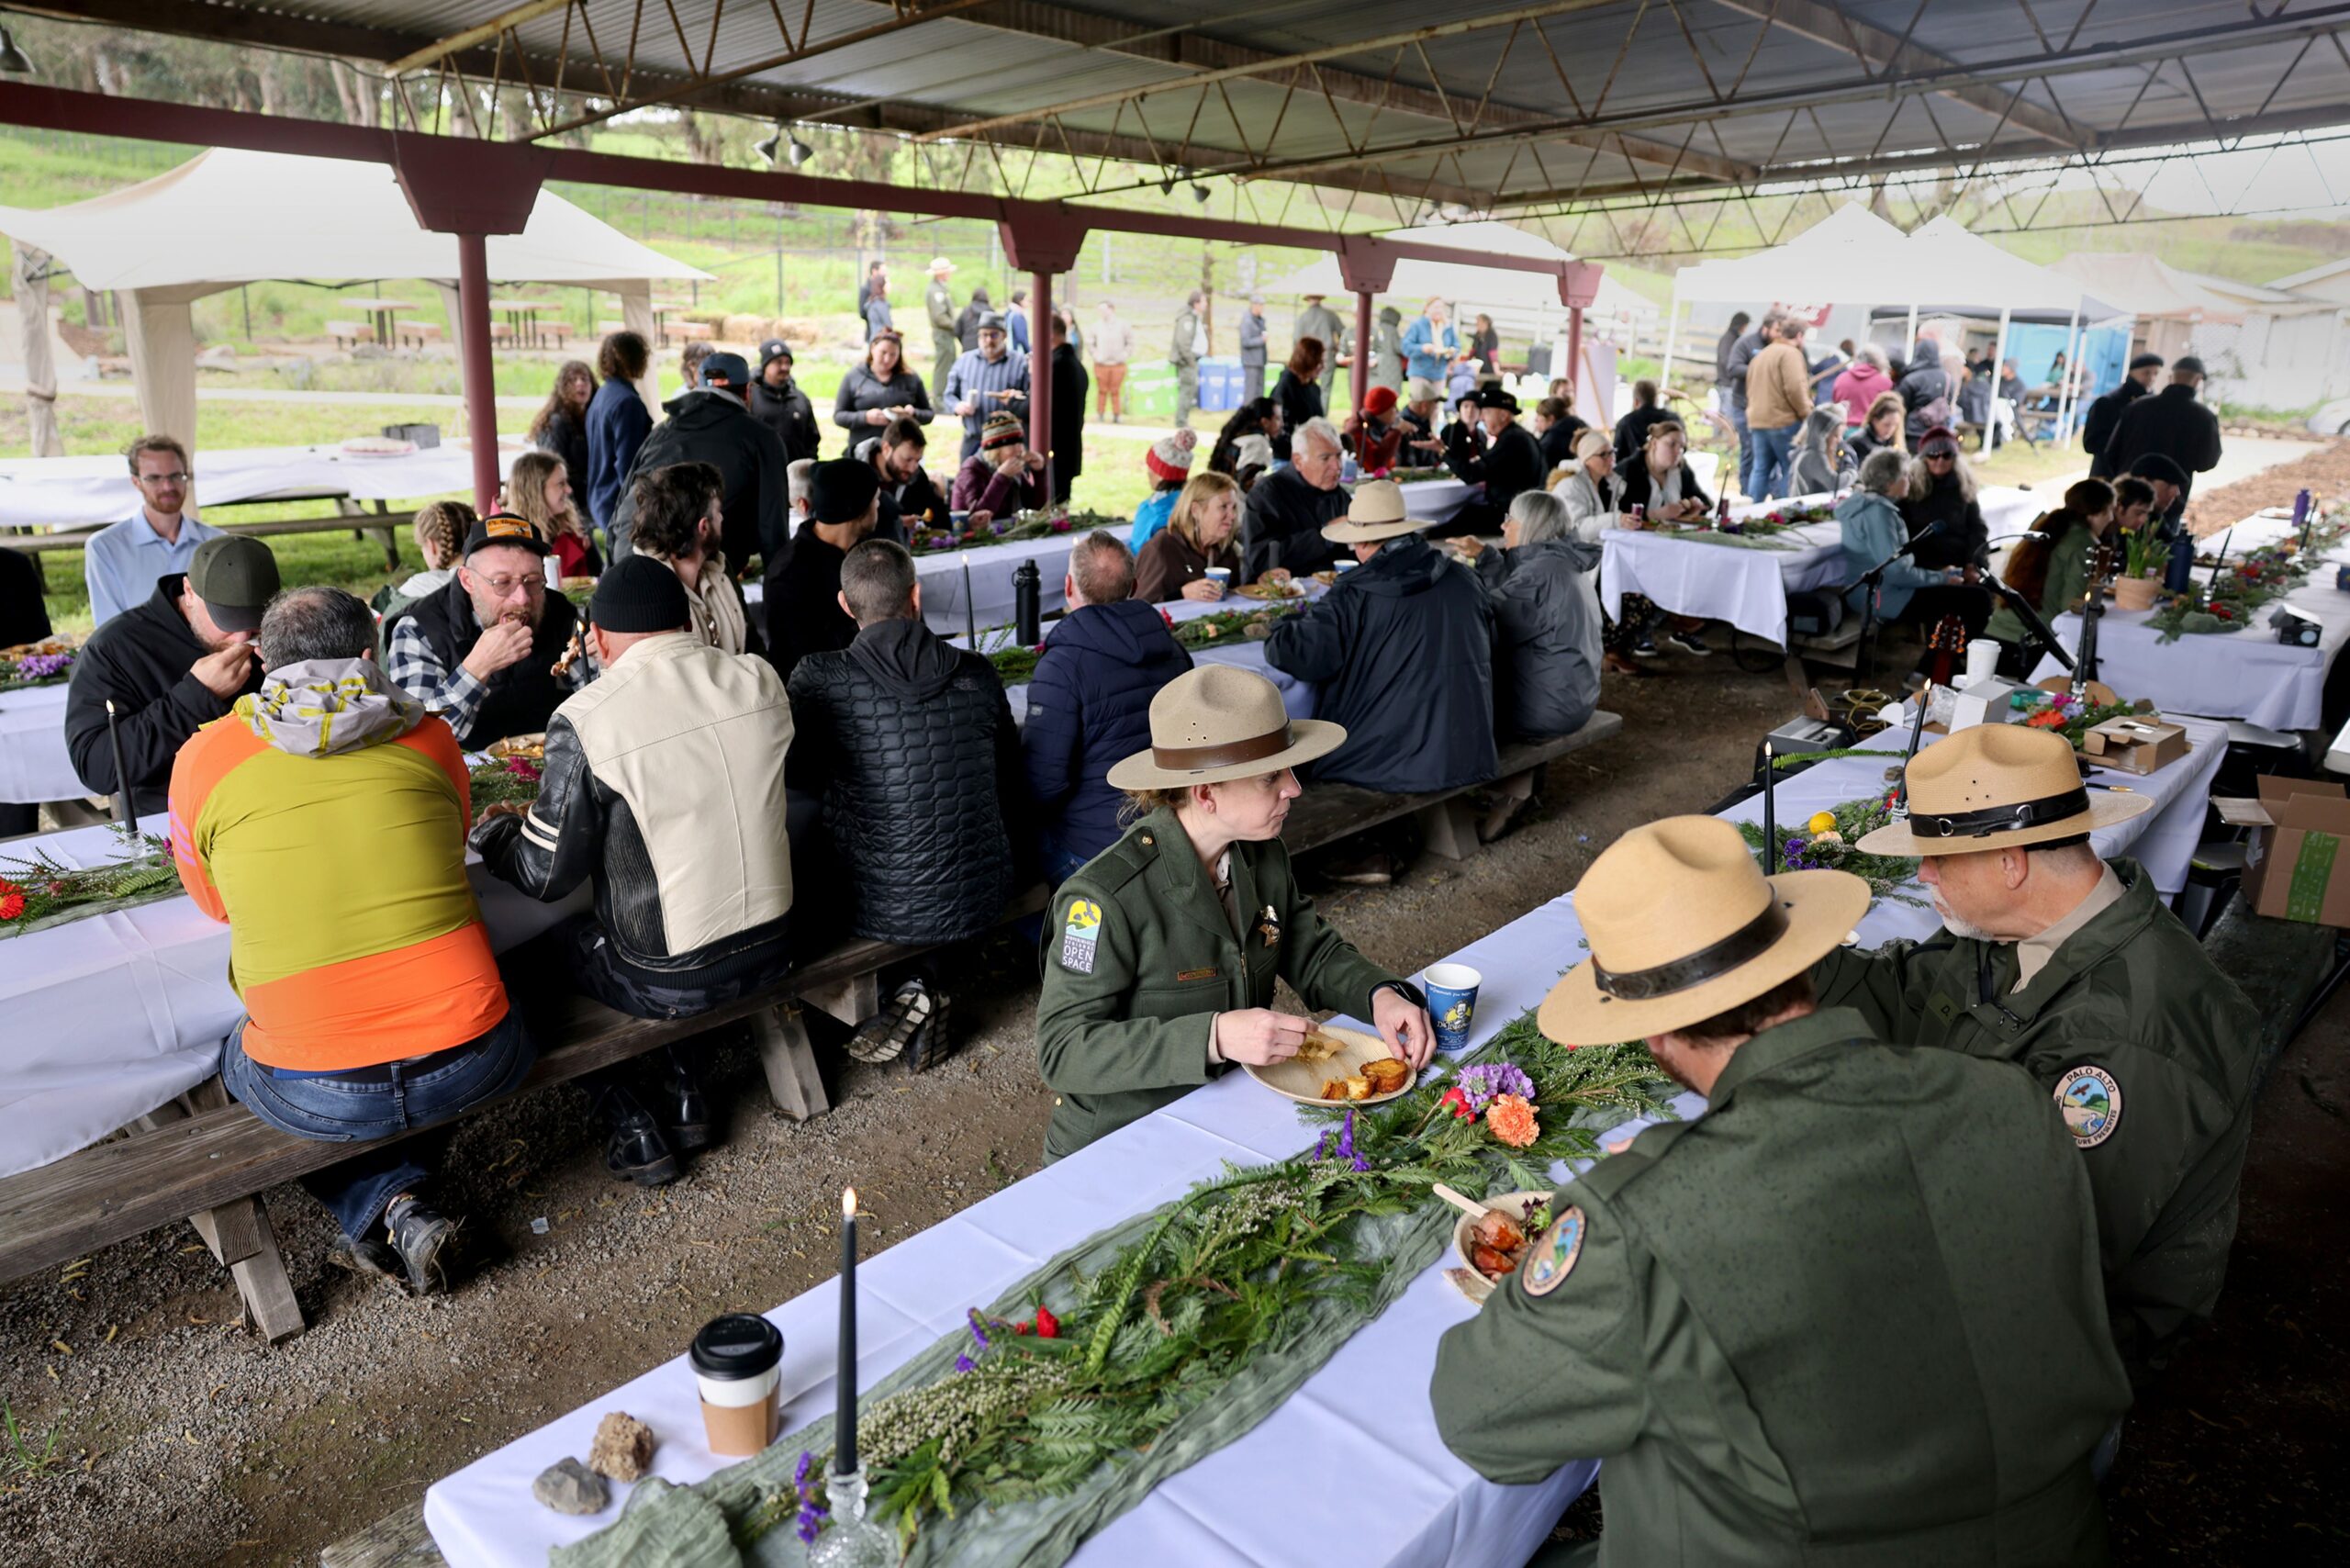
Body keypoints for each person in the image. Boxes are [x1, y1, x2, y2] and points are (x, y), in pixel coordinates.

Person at [1434, 813, 2130, 1563]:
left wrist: (1652, 1187)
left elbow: (1483, 1422)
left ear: (1653, 1033)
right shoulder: (2008, 1098)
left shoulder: (1645, 1213)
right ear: (1799, 962)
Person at [1816, 722, 2262, 1387]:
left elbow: (2043, 1253)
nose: (1924, 874)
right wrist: (1780, 954)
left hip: (2065, 1342)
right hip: (1973, 1210)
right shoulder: (2019, 929)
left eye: (1935, 858)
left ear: (2010, 863)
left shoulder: (2127, 1040)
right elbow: (1903, 992)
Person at [172, 585, 534, 1294]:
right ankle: (401, 1202)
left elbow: (215, 905)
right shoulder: (430, 735)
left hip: (322, 1092)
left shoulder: (204, 759)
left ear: (259, 661)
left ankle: (390, 1202)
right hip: (476, 1061)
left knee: (234, 1059)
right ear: (369, 656)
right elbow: (454, 840)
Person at [473, 557, 794, 1185]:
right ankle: (685, 1088)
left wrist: (495, 830)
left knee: (527, 960)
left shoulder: (592, 715)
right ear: (685, 620)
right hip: (777, 942)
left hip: (669, 979)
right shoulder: (758, 677)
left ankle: (627, 1116)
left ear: (597, 638)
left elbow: (545, 876)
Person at [1034, 664, 1434, 1161]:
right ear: (1206, 794)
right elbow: (1063, 1049)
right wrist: (1215, 1036)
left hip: (1228, 1114)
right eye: (1271, 777)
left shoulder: (1260, 853)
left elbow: (1307, 948)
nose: (1294, 788)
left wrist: (1378, 994)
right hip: (1123, 1144)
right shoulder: (1103, 898)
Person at [787, 539, 1030, 1014]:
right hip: (981, 892)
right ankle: (920, 979)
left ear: (844, 604)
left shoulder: (820, 678)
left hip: (869, 906)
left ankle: (903, 987)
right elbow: (1008, 771)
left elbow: (798, 778)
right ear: (915, 597)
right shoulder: (977, 673)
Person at [1264, 479, 1496, 796]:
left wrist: (1281, 626)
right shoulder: (1463, 576)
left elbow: (1301, 657)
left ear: (1362, 543)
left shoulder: (1354, 592)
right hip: (1467, 748)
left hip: (1381, 757)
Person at [1023, 532, 1194, 882]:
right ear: (1134, 585)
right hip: (1170, 827)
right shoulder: (1173, 650)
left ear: (1069, 587)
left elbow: (1043, 784)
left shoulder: (1063, 665)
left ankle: (1049, 929)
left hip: (1097, 847)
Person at [67, 534, 276, 817]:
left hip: (274, 800)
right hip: (174, 819)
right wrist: (195, 697)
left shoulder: (283, 628)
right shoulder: (114, 649)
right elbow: (97, 768)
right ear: (189, 591)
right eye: (225, 620)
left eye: (253, 623)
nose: (241, 637)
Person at [388, 513, 588, 750]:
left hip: (553, 759)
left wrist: (604, 658)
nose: (522, 598)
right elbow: (419, 737)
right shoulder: (418, 629)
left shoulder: (560, 612)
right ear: (467, 580)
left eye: (532, 580)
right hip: (463, 772)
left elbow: (600, 698)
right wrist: (476, 668)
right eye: (502, 583)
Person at [606, 350, 791, 569]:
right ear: (748, 392)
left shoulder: (662, 431)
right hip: (693, 571)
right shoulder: (762, 438)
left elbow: (620, 507)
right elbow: (773, 529)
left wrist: (611, 577)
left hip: (629, 557)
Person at [1475, 487, 1602, 755]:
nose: (1503, 525)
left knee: (1458, 691)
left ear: (1530, 525)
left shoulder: (1540, 575)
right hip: (1576, 697)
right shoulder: (1560, 563)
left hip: (1548, 709)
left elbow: (1487, 623)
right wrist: (1485, 557)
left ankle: (1497, 786)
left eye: (1510, 519)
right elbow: (1518, 603)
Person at [1839, 448, 1983, 638]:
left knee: (1959, 597)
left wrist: (1939, 576)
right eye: (1906, 475)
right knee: (1978, 599)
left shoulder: (1868, 504)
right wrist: (1941, 577)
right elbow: (1896, 572)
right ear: (1891, 482)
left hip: (1882, 590)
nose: (1910, 479)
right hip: (1880, 597)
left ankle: (1939, 662)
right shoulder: (1879, 514)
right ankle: (1939, 663)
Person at [84, 436, 223, 627]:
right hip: (139, 653)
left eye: (175, 476)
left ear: (187, 476)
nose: (167, 487)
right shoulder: (106, 547)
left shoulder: (217, 542)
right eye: (154, 478)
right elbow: (109, 628)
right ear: (136, 482)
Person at [765, 456, 880, 680]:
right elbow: (798, 663)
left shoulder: (860, 553)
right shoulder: (790, 576)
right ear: (856, 509)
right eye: (875, 499)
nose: (878, 505)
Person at [1986, 477, 2117, 665]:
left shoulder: (2043, 524)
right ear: (2097, 512)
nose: (2112, 518)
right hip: (2031, 643)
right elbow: (2070, 605)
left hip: (1996, 630)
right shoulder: (2083, 542)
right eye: (2110, 510)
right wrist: (2097, 607)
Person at [628, 462, 751, 655]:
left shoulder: (721, 570)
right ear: (704, 527)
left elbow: (752, 641)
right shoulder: (645, 593)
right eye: (718, 512)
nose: (722, 518)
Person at [2100, 357, 2222, 527]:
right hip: (2169, 499)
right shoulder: (2203, 416)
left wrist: (2126, 477)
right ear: (2197, 380)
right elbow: (2206, 462)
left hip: (2128, 496)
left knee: (2120, 546)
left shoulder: (2137, 407)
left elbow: (2111, 452)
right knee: (2157, 547)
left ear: (2171, 377)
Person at [1239, 417, 1349, 580]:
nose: (1337, 466)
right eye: (1325, 458)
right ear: (1298, 461)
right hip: (1276, 596)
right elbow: (1261, 559)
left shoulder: (1339, 495)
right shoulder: (1267, 494)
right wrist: (1325, 535)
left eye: (1339, 456)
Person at [1444, 388, 1545, 534]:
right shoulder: (1522, 436)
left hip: (1513, 517)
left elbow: (1471, 475)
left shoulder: (1512, 439)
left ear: (1503, 415)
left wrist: (1443, 452)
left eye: (1486, 413)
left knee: (1447, 524)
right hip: (1525, 513)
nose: (1482, 418)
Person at [1136, 471, 1246, 602]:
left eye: (1233, 507)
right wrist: (1182, 594)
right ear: (1195, 510)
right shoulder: (1161, 549)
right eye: (1223, 507)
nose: (1232, 515)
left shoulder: (1225, 549)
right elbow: (1138, 608)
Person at [585, 331, 654, 536]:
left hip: (600, 497)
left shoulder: (603, 394)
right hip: (618, 503)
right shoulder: (627, 403)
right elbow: (628, 465)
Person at [1900, 426, 1991, 579]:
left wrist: (1973, 563)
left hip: (1961, 559)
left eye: (1947, 455)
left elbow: (1978, 528)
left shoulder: (1964, 486)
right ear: (1924, 458)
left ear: (1955, 458)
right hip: (1922, 563)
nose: (1940, 460)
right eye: (1933, 455)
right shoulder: (1910, 488)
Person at [943, 311, 1031, 461]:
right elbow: (949, 395)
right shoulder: (964, 361)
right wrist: (957, 406)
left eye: (994, 335)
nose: (989, 340)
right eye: (984, 335)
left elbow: (1030, 400)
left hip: (1006, 443)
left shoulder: (1019, 363)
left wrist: (1017, 398)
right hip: (973, 439)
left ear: (1004, 336)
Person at [504, 447, 602, 580]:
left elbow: (598, 577)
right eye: (561, 484)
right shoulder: (512, 542)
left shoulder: (575, 530)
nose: (569, 489)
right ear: (535, 491)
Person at [1743, 315, 1813, 501]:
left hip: (1758, 419)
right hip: (1783, 421)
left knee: (1760, 469)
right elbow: (1794, 388)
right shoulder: (1791, 354)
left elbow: (1749, 386)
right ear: (1799, 336)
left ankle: (1753, 511)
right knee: (1789, 468)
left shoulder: (1763, 354)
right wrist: (1806, 413)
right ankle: (1786, 514)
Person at [833, 328, 934, 447]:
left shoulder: (910, 378)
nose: (887, 359)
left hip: (901, 450)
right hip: (863, 448)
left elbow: (929, 414)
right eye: (883, 353)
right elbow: (839, 416)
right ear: (872, 349)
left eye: (893, 355)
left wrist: (912, 414)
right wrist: (865, 417)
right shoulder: (854, 376)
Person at [952, 411, 1049, 522]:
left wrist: (1039, 472)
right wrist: (1001, 478)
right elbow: (978, 517)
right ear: (995, 450)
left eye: (1020, 443)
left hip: (1006, 532)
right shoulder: (971, 469)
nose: (1019, 450)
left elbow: (1036, 507)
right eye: (1011, 444)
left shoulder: (1011, 467)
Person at [1719, 308, 1779, 489]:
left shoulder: (1778, 346)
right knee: (1750, 450)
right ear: (1766, 328)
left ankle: (1766, 490)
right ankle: (1746, 489)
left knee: (1767, 453)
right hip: (1743, 405)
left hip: (1768, 408)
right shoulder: (1745, 343)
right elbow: (1733, 368)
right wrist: (1760, 370)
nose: (1779, 335)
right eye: (1776, 330)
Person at [865, 414, 948, 537]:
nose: (912, 468)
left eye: (917, 460)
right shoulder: (856, 476)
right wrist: (893, 525)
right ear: (886, 448)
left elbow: (942, 525)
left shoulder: (917, 476)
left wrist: (940, 496)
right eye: (907, 459)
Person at [530, 359, 597, 510]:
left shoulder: (588, 418)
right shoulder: (557, 422)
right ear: (563, 387)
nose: (580, 383)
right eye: (573, 380)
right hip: (565, 500)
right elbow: (551, 468)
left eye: (585, 379)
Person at [2083, 353, 2163, 478]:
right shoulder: (2108, 402)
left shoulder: (2156, 404)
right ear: (2132, 373)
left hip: (2140, 476)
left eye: (2155, 373)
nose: (2152, 378)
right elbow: (2091, 443)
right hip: (2109, 473)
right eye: (2146, 373)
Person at [1616, 420, 1711, 522]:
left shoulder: (1680, 468)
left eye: (1682, 447)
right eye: (1672, 444)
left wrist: (1695, 506)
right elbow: (1616, 513)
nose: (1678, 451)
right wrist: (1655, 515)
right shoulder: (1630, 470)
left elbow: (1706, 501)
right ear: (1654, 443)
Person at [747, 340, 822, 464]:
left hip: (796, 474)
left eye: (788, 363)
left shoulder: (800, 398)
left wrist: (809, 462)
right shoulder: (750, 398)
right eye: (778, 362)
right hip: (761, 474)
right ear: (765, 366)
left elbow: (812, 437)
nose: (784, 367)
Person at [1551, 427, 1622, 541]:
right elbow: (1577, 529)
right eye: (1603, 454)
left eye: (1611, 452)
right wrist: (1616, 520)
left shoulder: (1609, 484)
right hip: (1569, 553)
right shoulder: (1570, 486)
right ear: (1586, 458)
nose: (1610, 459)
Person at [1131, 430, 1198, 550]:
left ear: (1161, 474)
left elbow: (1136, 552)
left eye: (1151, 468)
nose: (1148, 473)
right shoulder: (1190, 506)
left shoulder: (1153, 513)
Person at [1049, 313, 1089, 504]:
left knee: (1054, 508)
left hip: (1054, 451)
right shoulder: (1077, 365)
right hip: (1068, 449)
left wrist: (1014, 403)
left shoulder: (1056, 366)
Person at [1270, 337, 1326, 463]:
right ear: (1308, 361)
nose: (1323, 367)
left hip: (1310, 455)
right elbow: (1281, 433)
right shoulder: (1285, 389)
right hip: (1289, 459)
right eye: (1319, 362)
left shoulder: (1312, 387)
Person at [1896, 342, 1959, 447]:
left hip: (1914, 433)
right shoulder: (1948, 379)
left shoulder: (1911, 379)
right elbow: (1949, 399)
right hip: (1939, 433)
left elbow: (1900, 406)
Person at [1785, 403, 1853, 497]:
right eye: (1836, 435)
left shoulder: (1819, 452)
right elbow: (1834, 483)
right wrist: (1852, 472)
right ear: (1824, 434)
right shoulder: (1813, 456)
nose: (1840, 440)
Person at [1211, 397, 1282, 482]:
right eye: (1278, 419)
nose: (1282, 424)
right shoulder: (1257, 441)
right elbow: (1247, 481)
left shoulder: (1240, 434)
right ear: (1265, 422)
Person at [1296, 293, 1348, 404]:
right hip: (1326, 354)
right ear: (1320, 299)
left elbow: (1296, 340)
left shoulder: (1302, 317)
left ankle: (1309, 414)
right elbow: (1343, 333)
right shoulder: (1330, 315)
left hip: (1307, 355)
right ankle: (1321, 415)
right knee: (1325, 388)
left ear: (1308, 300)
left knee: (1306, 385)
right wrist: (1341, 348)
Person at [1169, 289, 1207, 430]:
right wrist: (1190, 361)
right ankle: (1181, 422)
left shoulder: (1195, 317)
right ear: (1196, 303)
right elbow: (1183, 343)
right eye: (1204, 301)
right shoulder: (1187, 319)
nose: (1206, 305)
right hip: (1187, 362)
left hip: (1192, 360)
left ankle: (1184, 421)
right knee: (1186, 391)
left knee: (1189, 391)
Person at [1092, 300, 1134, 422]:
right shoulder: (1096, 326)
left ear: (1111, 309)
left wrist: (1124, 355)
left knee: (1116, 390)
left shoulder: (1122, 325)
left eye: (1104, 310)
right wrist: (1096, 355)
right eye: (1100, 310)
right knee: (1102, 390)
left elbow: (1130, 342)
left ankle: (1117, 414)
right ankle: (1100, 413)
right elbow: (1090, 343)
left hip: (1117, 363)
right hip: (1101, 364)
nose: (1102, 313)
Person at [924, 257, 960, 394]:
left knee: (948, 365)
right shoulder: (935, 291)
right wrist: (955, 326)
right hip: (942, 334)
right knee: (943, 368)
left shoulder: (941, 288)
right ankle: (940, 400)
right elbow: (940, 317)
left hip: (947, 334)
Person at [1610, 379, 1670, 463]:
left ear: (1636, 402)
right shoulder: (1672, 418)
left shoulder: (1625, 422)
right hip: (1668, 471)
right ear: (1655, 400)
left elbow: (1618, 456)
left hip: (1634, 473)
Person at [1830, 342, 1892, 420]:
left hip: (1842, 428)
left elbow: (1835, 404)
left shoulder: (1841, 378)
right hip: (1869, 429)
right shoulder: (1885, 383)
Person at [1531, 393, 1588, 476]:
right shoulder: (1581, 426)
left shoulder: (1550, 441)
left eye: (1539, 416)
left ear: (1551, 419)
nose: (1536, 419)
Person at [1846, 389, 1906, 468]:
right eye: (1887, 425)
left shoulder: (1893, 442)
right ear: (1875, 420)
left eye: (1895, 425)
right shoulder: (1857, 442)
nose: (1891, 429)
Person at [1369, 302, 1406, 397]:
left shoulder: (1376, 329)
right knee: (1390, 393)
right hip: (1392, 365)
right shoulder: (1393, 331)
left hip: (1376, 365)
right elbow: (1400, 348)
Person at [1238, 292, 1269, 401]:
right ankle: (1248, 416)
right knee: (1250, 393)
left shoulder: (1260, 320)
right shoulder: (1247, 321)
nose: (1262, 308)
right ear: (1254, 305)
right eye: (1260, 305)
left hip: (1260, 361)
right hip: (1251, 363)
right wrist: (1261, 340)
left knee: (1259, 392)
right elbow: (1245, 341)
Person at [956, 286, 990, 352]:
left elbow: (957, 330)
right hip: (985, 348)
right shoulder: (990, 312)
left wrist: (965, 341)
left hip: (968, 347)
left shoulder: (966, 310)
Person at [862, 273, 894, 342]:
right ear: (881, 285)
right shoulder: (880, 304)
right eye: (887, 283)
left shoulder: (872, 302)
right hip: (881, 341)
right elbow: (889, 325)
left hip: (874, 339)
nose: (890, 285)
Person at [1466, 312, 1501, 376]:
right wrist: (1467, 360)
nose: (1476, 323)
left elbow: (1493, 354)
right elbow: (1473, 350)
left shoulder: (1491, 335)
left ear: (1485, 323)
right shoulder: (1478, 335)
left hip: (1489, 369)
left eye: (1478, 321)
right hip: (1479, 368)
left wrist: (1497, 370)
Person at [856, 260, 885, 336]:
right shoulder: (865, 289)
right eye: (882, 271)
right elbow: (862, 313)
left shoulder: (882, 290)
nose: (885, 274)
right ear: (874, 271)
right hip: (872, 333)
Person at [1006, 287, 1031, 354]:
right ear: (1020, 301)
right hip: (1017, 351)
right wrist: (1028, 350)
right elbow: (1021, 336)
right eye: (1026, 300)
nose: (1029, 302)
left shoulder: (1010, 312)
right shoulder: (1017, 315)